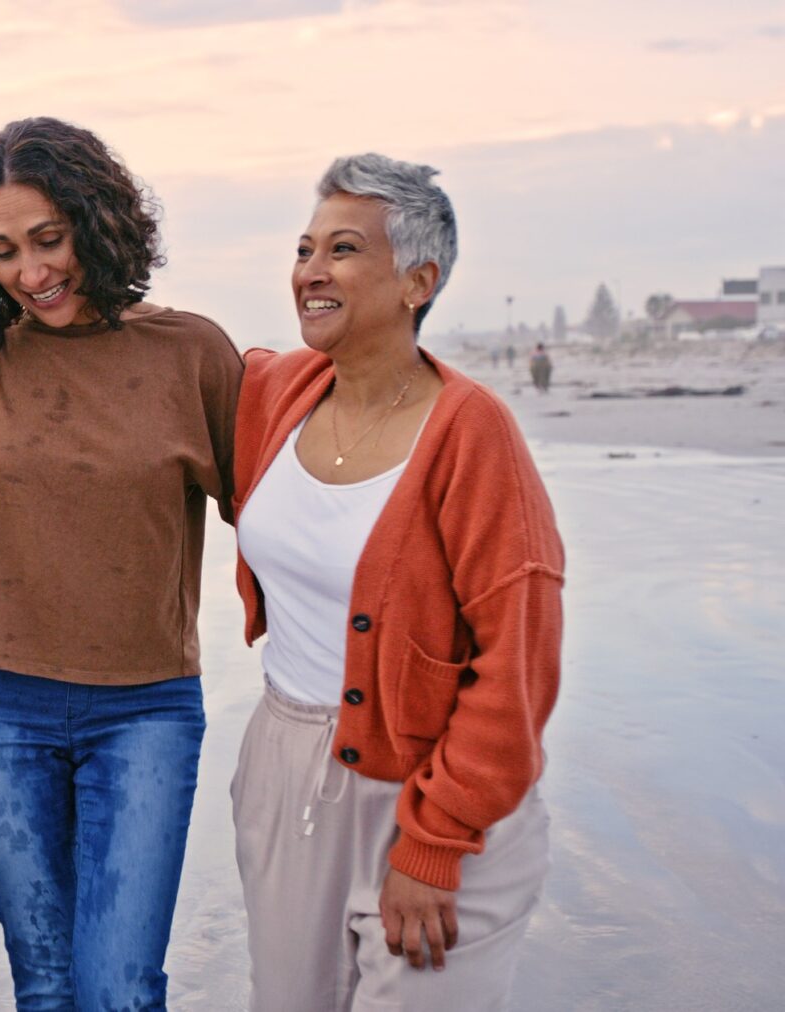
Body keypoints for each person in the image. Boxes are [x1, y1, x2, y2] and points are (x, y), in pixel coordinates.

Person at [230, 153, 563, 1010]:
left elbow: (517, 666)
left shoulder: (469, 433)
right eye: (305, 249)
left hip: (430, 788)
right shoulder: (277, 393)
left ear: (419, 279)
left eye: (342, 250)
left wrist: (434, 843)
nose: (311, 272)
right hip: (287, 772)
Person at [0, 116, 241, 1010]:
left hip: (145, 709)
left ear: (97, 223)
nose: (32, 272)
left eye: (48, 240)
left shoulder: (191, 352)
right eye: (4, 252)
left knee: (118, 987)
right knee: (47, 983)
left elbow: (271, 516)